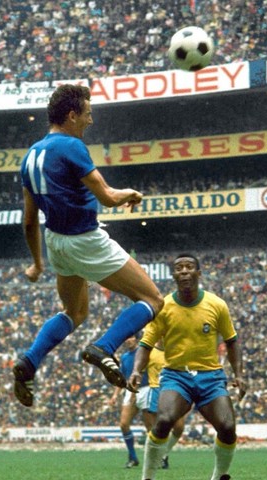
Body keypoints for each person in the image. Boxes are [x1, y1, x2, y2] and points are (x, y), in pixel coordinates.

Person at [12, 84, 164, 407]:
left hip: (56, 243)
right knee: (153, 299)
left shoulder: (29, 157)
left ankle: (29, 361)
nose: (90, 121)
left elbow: (28, 221)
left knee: (75, 312)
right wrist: (130, 194)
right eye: (88, 114)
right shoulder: (72, 146)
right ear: (72, 115)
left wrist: (38, 263)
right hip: (85, 240)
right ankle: (104, 347)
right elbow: (107, 197)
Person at [128, 253, 248, 480]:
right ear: (173, 275)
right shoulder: (163, 307)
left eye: (189, 267)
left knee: (227, 427)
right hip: (176, 376)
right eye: (179, 267)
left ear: (198, 273)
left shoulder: (216, 304)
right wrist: (136, 370)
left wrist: (239, 374)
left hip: (211, 377)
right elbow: (146, 344)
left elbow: (232, 341)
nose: (184, 271)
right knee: (164, 421)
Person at [136, 341, 186, 470]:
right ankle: (155, 458)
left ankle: (164, 453)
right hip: (155, 390)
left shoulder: (177, 349)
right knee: (155, 428)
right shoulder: (150, 351)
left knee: (179, 427)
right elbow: (139, 371)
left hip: (174, 390)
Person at [108, 335, 147, 468]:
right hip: (130, 390)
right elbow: (122, 378)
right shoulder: (124, 357)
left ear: (136, 338)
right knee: (124, 424)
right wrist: (115, 395)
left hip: (145, 389)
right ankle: (133, 457)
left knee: (151, 426)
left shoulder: (143, 352)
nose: (128, 340)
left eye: (131, 337)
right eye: (126, 338)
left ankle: (161, 457)